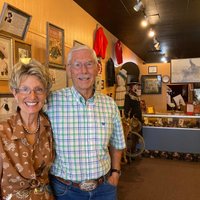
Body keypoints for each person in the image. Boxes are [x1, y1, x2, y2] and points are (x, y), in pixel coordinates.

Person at [46, 45, 126, 200]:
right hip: (65, 191)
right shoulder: (50, 102)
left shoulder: (110, 104)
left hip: (104, 189)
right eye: (77, 65)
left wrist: (115, 173)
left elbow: (117, 143)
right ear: (69, 70)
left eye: (89, 64)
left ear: (97, 68)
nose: (83, 71)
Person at [0, 59, 55, 199]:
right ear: (14, 92)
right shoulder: (2, 132)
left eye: (38, 89)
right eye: (25, 89)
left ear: (45, 93)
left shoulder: (49, 127)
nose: (32, 96)